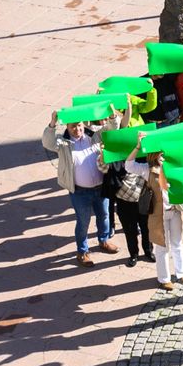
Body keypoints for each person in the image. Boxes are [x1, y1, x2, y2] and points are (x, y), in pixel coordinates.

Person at [43, 113, 118, 267]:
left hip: (100, 187)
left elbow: (112, 129)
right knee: (83, 221)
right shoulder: (63, 143)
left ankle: (103, 241)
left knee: (104, 215)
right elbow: (48, 143)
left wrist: (112, 117)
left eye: (79, 126)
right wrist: (52, 123)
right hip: (79, 191)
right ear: (68, 128)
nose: (77, 129)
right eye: (73, 127)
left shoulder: (94, 136)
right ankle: (82, 251)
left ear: (83, 124)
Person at [102, 128, 153, 265]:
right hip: (124, 202)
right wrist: (103, 153)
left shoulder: (145, 157)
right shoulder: (115, 159)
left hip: (143, 199)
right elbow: (102, 167)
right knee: (130, 230)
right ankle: (134, 254)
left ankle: (148, 251)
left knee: (146, 228)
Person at [146, 154, 183, 289]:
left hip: (176, 211)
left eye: (164, 155)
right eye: (160, 155)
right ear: (154, 156)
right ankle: (164, 278)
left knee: (177, 243)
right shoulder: (148, 170)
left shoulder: (174, 169)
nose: (163, 158)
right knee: (162, 247)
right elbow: (129, 166)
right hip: (160, 214)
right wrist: (137, 147)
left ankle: (182, 273)